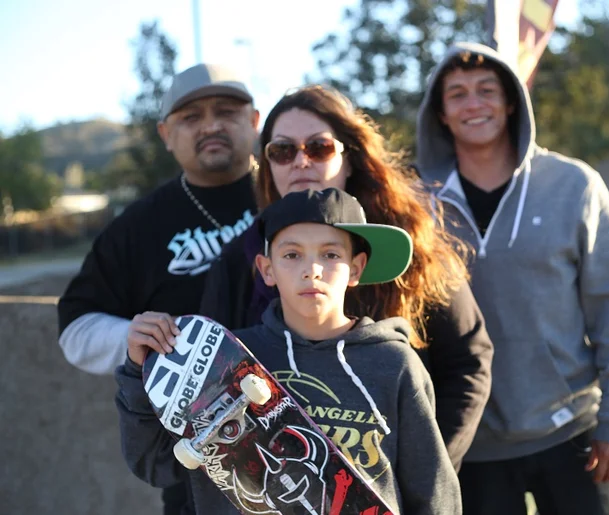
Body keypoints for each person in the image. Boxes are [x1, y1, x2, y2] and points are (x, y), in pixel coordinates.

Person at [199, 84, 494, 471]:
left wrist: (416, 475)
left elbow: (467, 364)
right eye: (282, 151)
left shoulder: (410, 244)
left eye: (318, 148)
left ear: (350, 158)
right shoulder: (241, 260)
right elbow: (210, 381)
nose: (300, 162)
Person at [115, 187, 463, 515]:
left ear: (355, 268)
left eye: (330, 254)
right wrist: (136, 368)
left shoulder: (393, 364)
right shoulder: (222, 362)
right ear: (268, 269)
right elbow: (156, 464)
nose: (311, 270)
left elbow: (431, 487)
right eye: (292, 255)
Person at [415, 42, 609, 515]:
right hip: (469, 444)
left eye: (487, 90)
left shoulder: (573, 185)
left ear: (510, 101)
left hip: (568, 431)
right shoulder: (418, 206)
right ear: (440, 113)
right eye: (457, 94)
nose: (474, 103)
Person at [56, 63, 261, 515]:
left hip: (313, 450)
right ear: (166, 133)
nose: (210, 124)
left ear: (254, 121)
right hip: (199, 477)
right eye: (190, 117)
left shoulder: (289, 195)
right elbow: (75, 326)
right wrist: (137, 341)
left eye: (226, 111)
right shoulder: (137, 227)